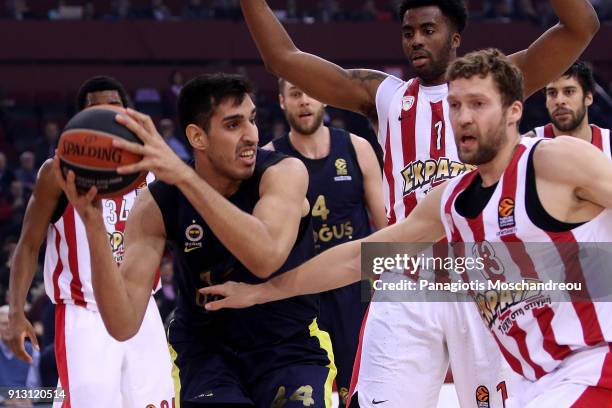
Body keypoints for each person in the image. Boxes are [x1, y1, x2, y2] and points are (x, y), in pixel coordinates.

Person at [236, 0, 600, 406]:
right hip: (406, 278)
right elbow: (283, 59)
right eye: (408, 33)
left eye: (429, 29)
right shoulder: (384, 95)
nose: (416, 40)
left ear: (456, 37)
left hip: (483, 279)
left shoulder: (496, 82)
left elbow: (579, 28)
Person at [57, 73, 337, 407]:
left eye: (252, 120)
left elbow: (265, 256)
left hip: (288, 348)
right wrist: (91, 221)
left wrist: (186, 178)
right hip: (208, 356)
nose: (251, 135)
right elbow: (122, 323)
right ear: (197, 137)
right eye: (233, 125)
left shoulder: (284, 172)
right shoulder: (156, 203)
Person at [7, 75, 175, 407]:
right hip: (85, 314)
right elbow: (27, 244)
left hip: (143, 310)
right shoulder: (55, 173)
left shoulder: (154, 171)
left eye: (114, 104)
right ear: (80, 122)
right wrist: (15, 312)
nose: (106, 113)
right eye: (94, 108)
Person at [267, 78, 386, 405]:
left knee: (360, 391)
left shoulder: (356, 147)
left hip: (355, 286)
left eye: (309, 92)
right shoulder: (270, 158)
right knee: (302, 391)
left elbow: (388, 223)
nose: (303, 101)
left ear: (325, 99)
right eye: (294, 94)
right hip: (300, 288)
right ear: (282, 101)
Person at [528, 61, 611, 159]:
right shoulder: (528, 145)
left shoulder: (609, 143)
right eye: (552, 93)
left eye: (569, 92)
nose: (559, 101)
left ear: (588, 97)